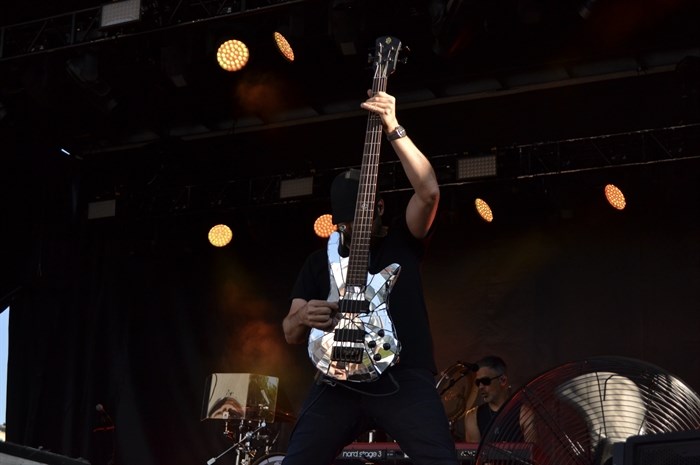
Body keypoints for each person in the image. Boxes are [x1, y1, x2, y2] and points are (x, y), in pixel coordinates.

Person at [281, 90, 458, 465]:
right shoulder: (320, 261)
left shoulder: (401, 239)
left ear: (378, 206)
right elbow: (290, 331)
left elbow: (427, 192)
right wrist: (304, 315)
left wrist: (393, 126)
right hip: (337, 381)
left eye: (362, 216)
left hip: (402, 377)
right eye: (345, 223)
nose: (354, 228)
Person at [464, 356, 535, 444]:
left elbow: (532, 454)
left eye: (486, 381)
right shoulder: (473, 417)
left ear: (503, 380)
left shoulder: (525, 414)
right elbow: (473, 455)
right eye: (478, 383)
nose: (480, 387)